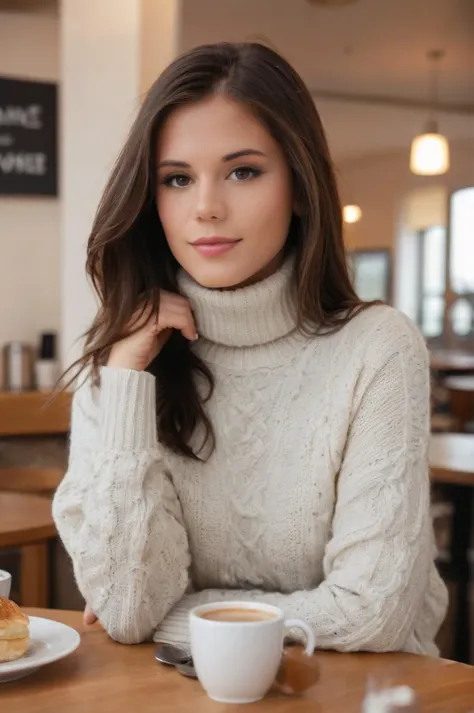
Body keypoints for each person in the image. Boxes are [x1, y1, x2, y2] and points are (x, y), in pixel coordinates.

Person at [53, 42, 448, 654]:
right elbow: (128, 609)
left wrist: (177, 619)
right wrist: (129, 376)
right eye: (177, 179)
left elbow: (374, 614)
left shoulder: (378, 348)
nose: (206, 207)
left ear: (298, 187)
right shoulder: (119, 359)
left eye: (243, 171)